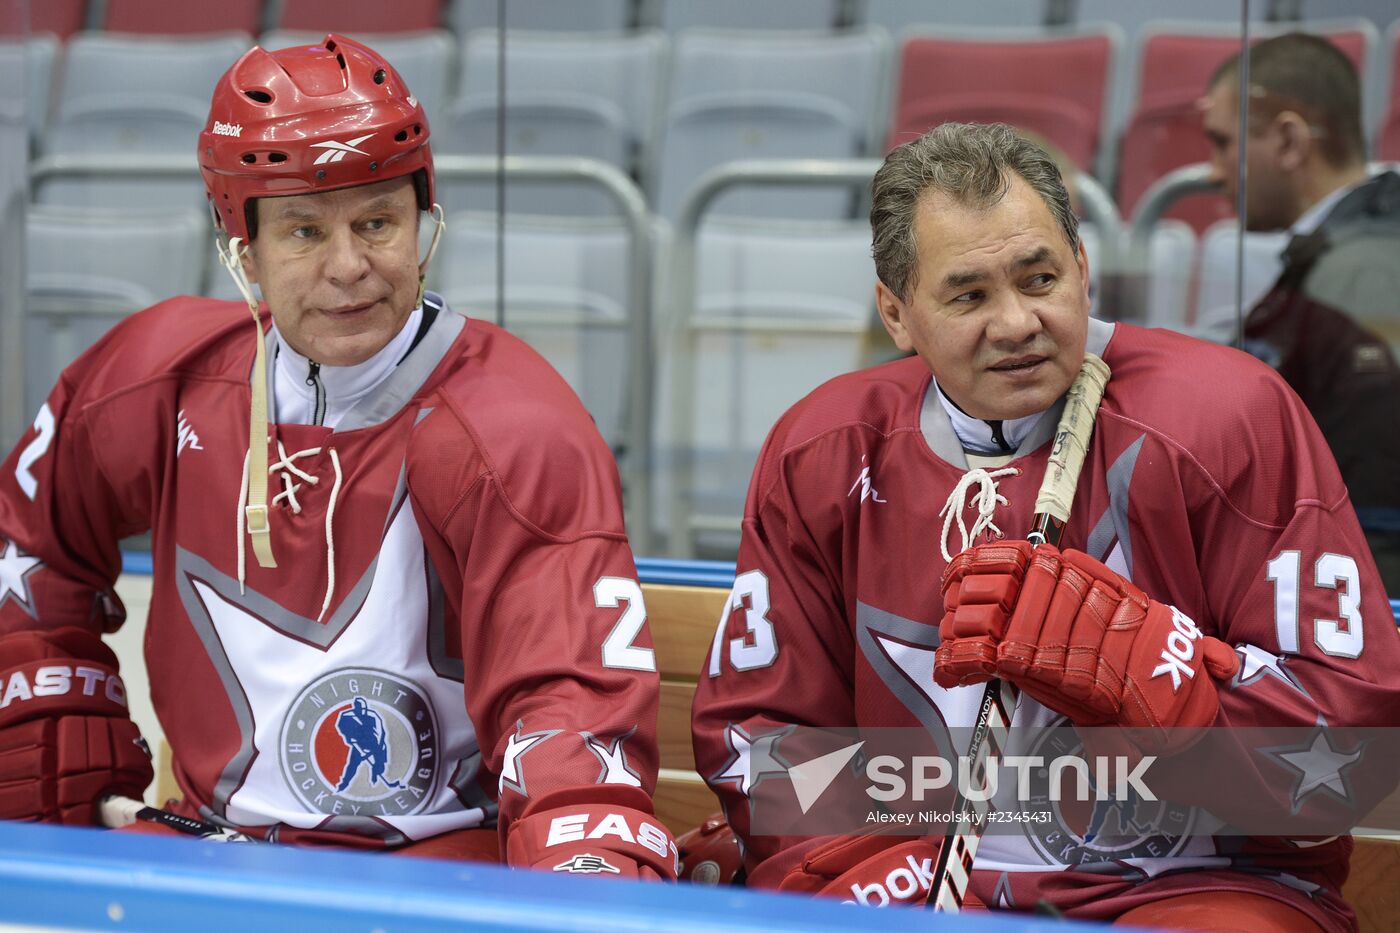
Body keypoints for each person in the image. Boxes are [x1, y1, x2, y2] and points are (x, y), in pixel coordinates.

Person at [690, 122, 1400, 929]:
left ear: (1084, 271)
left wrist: (1174, 679)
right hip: (919, 877)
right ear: (896, 312)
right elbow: (756, 735)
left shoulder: (1229, 418)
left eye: (1040, 278)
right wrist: (868, 850)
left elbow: (1353, 753)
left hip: (1196, 887)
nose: (1018, 322)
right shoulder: (823, 451)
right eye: (969, 295)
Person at [0, 34, 677, 879]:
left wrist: (584, 864)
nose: (349, 266)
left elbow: (568, 698)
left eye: (377, 222)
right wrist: (56, 737)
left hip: (438, 865)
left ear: (425, 220)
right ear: (240, 248)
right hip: (208, 853)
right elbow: (28, 539)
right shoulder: (156, 380)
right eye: (304, 232)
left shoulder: (514, 425)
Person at [1200, 32, 1400, 594]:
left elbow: (1375, 490)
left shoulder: (1360, 274)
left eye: (1223, 143)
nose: (1215, 172)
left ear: (1289, 141)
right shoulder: (1349, 256)